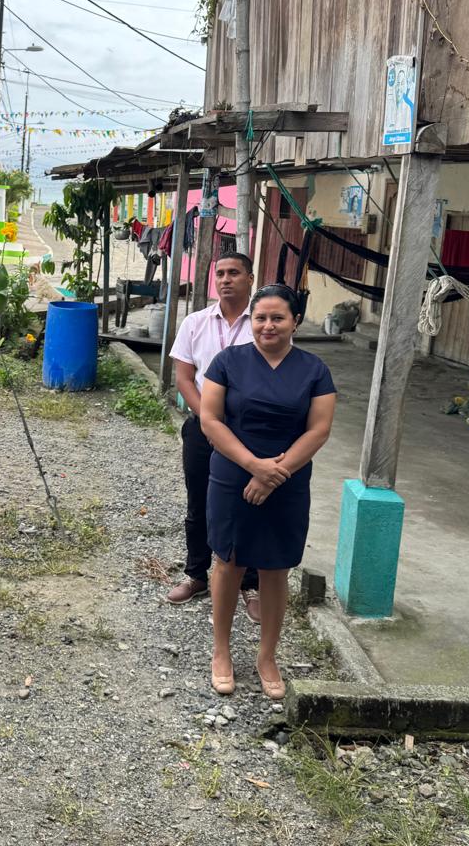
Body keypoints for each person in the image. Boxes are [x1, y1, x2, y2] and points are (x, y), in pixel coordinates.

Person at [199, 283, 336, 700]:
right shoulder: (228, 362)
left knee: (277, 567)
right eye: (260, 318)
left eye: (278, 318)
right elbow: (210, 419)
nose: (268, 325)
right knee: (229, 561)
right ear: (251, 321)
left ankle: (267, 657)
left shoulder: (314, 370)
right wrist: (254, 466)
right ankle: (221, 651)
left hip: (287, 481)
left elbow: (319, 429)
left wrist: (276, 472)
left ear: (296, 321)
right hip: (233, 475)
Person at [167, 252, 261, 617]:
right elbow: (184, 378)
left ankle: (250, 584)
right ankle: (196, 575)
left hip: (248, 430)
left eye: (234, 272)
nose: (225, 279)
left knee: (249, 504)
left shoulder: (262, 324)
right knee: (200, 502)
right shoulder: (195, 322)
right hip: (202, 429)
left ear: (250, 279)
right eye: (220, 273)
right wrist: (208, 421)